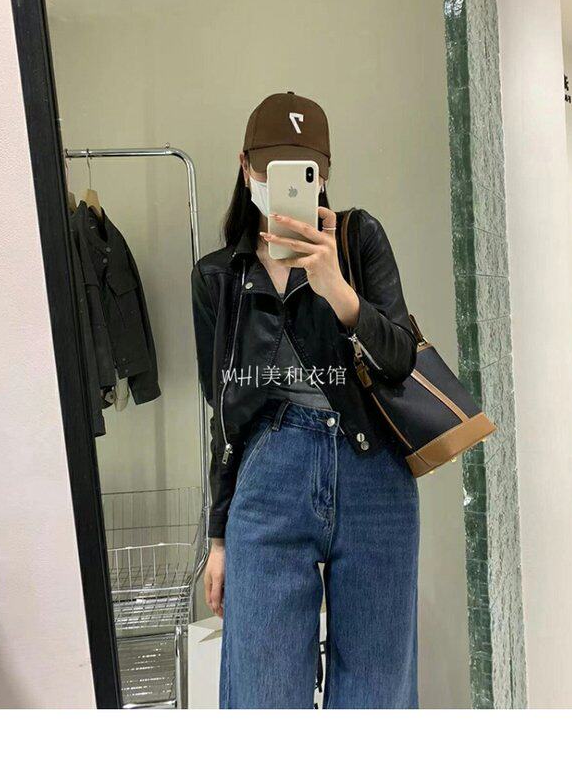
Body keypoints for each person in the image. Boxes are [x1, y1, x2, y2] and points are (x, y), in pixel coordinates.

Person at [191, 91, 420, 709]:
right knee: (261, 696)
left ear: (324, 174)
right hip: (269, 476)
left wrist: (337, 289)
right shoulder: (217, 277)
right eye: (271, 168)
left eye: (304, 170)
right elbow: (225, 413)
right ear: (246, 168)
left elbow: (400, 357)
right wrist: (219, 538)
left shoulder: (359, 239)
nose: (284, 183)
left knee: (377, 698)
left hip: (372, 472)